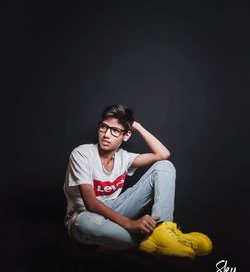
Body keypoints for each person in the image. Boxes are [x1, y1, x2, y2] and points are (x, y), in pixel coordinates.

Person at [63, 104, 213, 259]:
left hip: (115, 210)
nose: (106, 134)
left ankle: (164, 229)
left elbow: (163, 154)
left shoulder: (124, 158)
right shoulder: (82, 154)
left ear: (126, 135)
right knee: (84, 223)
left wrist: (138, 127)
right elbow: (91, 204)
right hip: (85, 216)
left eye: (115, 130)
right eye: (104, 127)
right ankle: (165, 242)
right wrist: (130, 224)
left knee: (164, 166)